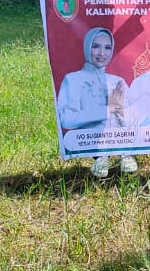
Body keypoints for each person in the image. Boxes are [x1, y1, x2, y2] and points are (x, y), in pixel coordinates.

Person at [61, 0, 150, 175]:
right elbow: (66, 6)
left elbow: (142, 6)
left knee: (123, 98)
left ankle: (128, 151)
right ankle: (98, 154)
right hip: (92, 45)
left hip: (125, 45)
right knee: (95, 98)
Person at [56, 27, 132, 178]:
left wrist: (121, 111)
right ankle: (100, 157)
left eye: (107, 47)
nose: (102, 53)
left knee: (129, 167)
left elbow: (134, 120)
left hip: (121, 142)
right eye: (96, 46)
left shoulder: (117, 81)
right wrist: (107, 109)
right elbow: (66, 119)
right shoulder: (73, 80)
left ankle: (125, 156)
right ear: (87, 47)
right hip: (90, 142)